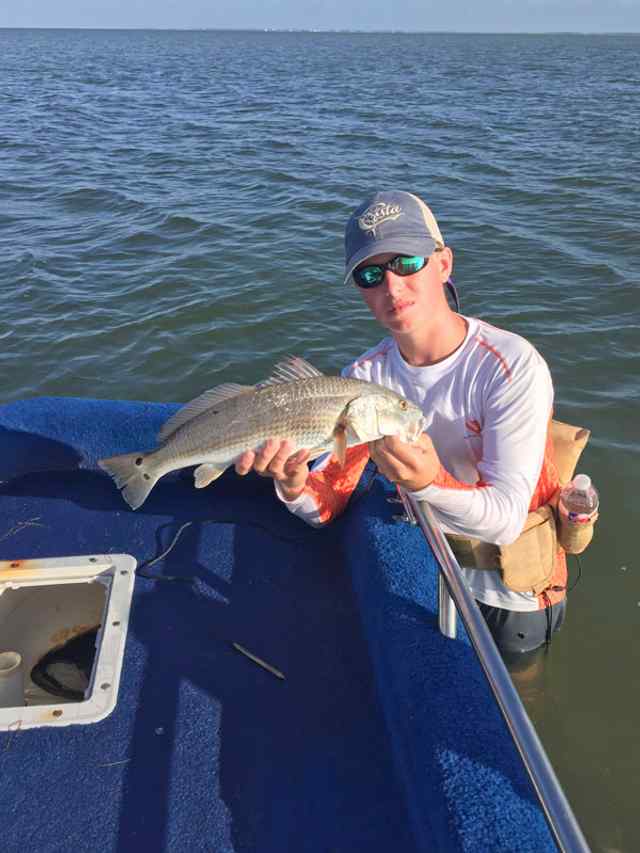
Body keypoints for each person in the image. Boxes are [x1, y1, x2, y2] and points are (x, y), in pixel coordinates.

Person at [235, 189, 567, 656]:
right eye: (371, 275)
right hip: (417, 573)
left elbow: (506, 522)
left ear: (444, 263)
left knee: (512, 700)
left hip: (509, 592)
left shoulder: (510, 366)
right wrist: (293, 487)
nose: (391, 287)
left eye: (406, 263)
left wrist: (429, 482)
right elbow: (328, 504)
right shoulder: (364, 377)